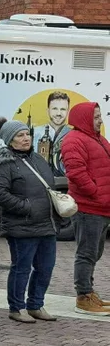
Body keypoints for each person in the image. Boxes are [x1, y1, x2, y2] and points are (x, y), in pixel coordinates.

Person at [0, 117, 59, 324]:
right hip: (21, 225)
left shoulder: (38, 159)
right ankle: (16, 307)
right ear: (10, 139)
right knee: (22, 267)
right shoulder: (3, 163)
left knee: (46, 266)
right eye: (20, 135)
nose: (26, 138)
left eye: (27, 134)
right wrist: (26, 207)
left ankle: (36, 305)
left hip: (45, 223)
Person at [58, 102, 110, 316]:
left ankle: (89, 292)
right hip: (90, 207)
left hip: (102, 207)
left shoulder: (96, 138)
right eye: (96, 117)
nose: (100, 120)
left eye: (99, 116)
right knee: (87, 253)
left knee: (95, 252)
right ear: (84, 118)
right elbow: (76, 173)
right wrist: (96, 193)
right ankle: (83, 296)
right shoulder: (74, 140)